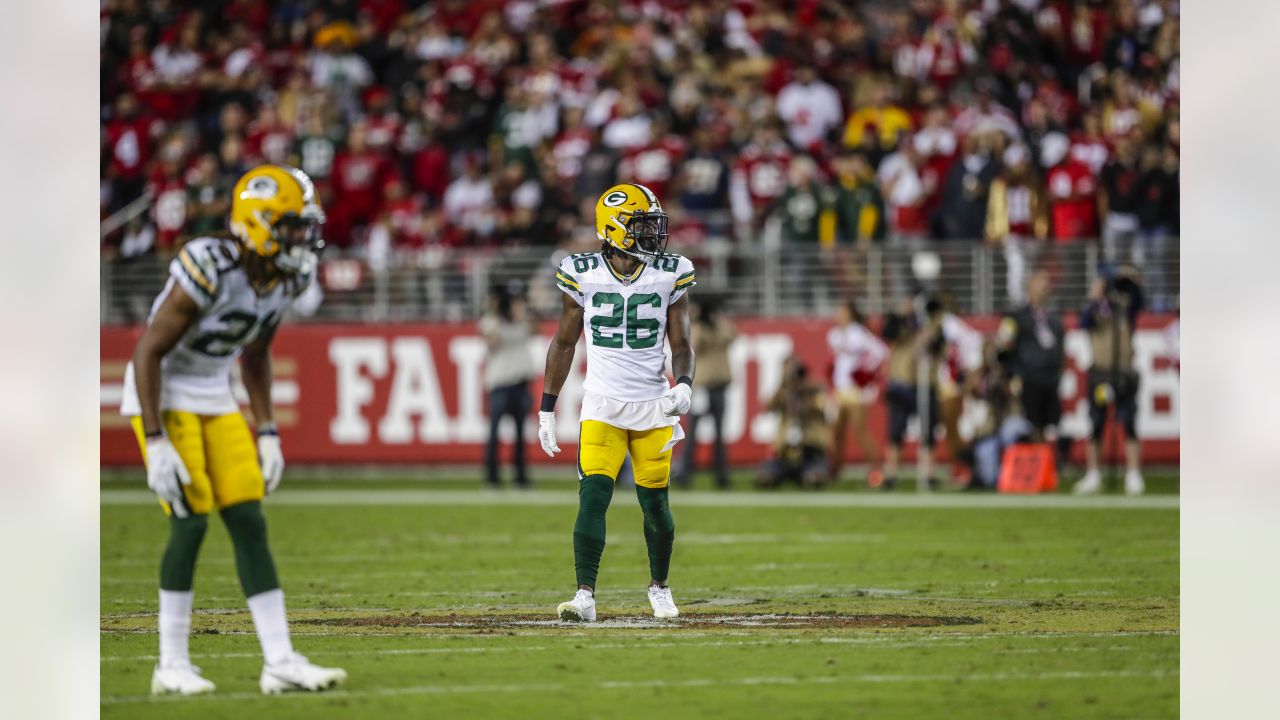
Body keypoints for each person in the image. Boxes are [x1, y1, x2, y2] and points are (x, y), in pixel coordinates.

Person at [120, 165, 346, 696]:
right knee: (191, 521)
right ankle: (170, 665)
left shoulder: (284, 275)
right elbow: (147, 352)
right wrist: (155, 442)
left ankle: (280, 661)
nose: (302, 238)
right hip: (163, 393)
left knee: (247, 518)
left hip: (214, 393)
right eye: (292, 226)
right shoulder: (210, 263)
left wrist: (267, 430)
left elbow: (257, 355)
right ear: (258, 223)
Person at [538, 183, 696, 622]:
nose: (653, 233)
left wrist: (683, 383)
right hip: (603, 404)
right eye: (642, 225)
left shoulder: (671, 271)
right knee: (593, 497)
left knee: (656, 506)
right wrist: (547, 408)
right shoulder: (582, 270)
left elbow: (682, 341)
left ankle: (660, 586)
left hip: (652, 406)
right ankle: (584, 596)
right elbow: (564, 342)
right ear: (615, 229)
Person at [1073, 268, 1146, 496]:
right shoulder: (1097, 311)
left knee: (1130, 423)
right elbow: (1082, 322)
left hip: (1124, 372)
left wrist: (1131, 279)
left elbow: (1140, 300)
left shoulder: (1126, 310)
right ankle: (1093, 473)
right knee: (1096, 424)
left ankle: (1133, 473)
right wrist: (1097, 297)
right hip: (1101, 373)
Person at [996, 270, 1068, 460]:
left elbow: (1060, 345)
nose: (1045, 288)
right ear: (1030, 287)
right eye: (1040, 283)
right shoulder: (1017, 317)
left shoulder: (1053, 318)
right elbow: (1004, 347)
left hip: (1051, 378)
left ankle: (1047, 462)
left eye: (1047, 284)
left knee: (1051, 423)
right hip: (1028, 378)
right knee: (1032, 423)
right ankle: (1038, 462)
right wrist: (1009, 376)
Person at [881, 296, 945, 490]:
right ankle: (891, 473)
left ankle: (928, 473)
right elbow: (888, 333)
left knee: (928, 431)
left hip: (925, 384)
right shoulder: (901, 323)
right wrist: (905, 315)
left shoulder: (934, 325)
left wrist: (930, 332)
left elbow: (939, 347)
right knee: (896, 431)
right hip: (902, 383)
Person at [675, 297, 736, 489]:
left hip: (718, 387)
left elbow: (734, 335)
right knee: (692, 433)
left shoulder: (719, 330)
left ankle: (721, 475)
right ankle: (685, 473)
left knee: (719, 434)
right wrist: (695, 319)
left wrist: (717, 320)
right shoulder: (699, 329)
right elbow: (693, 344)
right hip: (701, 388)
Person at [480, 285, 537, 489]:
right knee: (494, 433)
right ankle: (492, 477)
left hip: (521, 382)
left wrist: (520, 314)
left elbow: (534, 330)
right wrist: (496, 313)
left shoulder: (521, 320)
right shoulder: (491, 321)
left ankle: (520, 476)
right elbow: (490, 342)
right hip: (500, 383)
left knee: (521, 433)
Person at [827, 300, 889, 486]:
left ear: (850, 314)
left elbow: (881, 352)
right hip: (841, 391)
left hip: (856, 391)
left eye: (842, 311)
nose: (838, 315)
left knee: (860, 431)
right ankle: (835, 469)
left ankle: (875, 471)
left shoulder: (859, 333)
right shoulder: (835, 335)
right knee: (836, 431)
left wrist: (865, 374)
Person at [757, 358, 831, 489]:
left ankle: (812, 476)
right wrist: (783, 387)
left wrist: (804, 394)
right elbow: (768, 408)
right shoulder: (784, 393)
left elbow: (824, 409)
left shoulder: (814, 391)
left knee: (814, 478)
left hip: (810, 452)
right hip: (785, 454)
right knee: (765, 477)